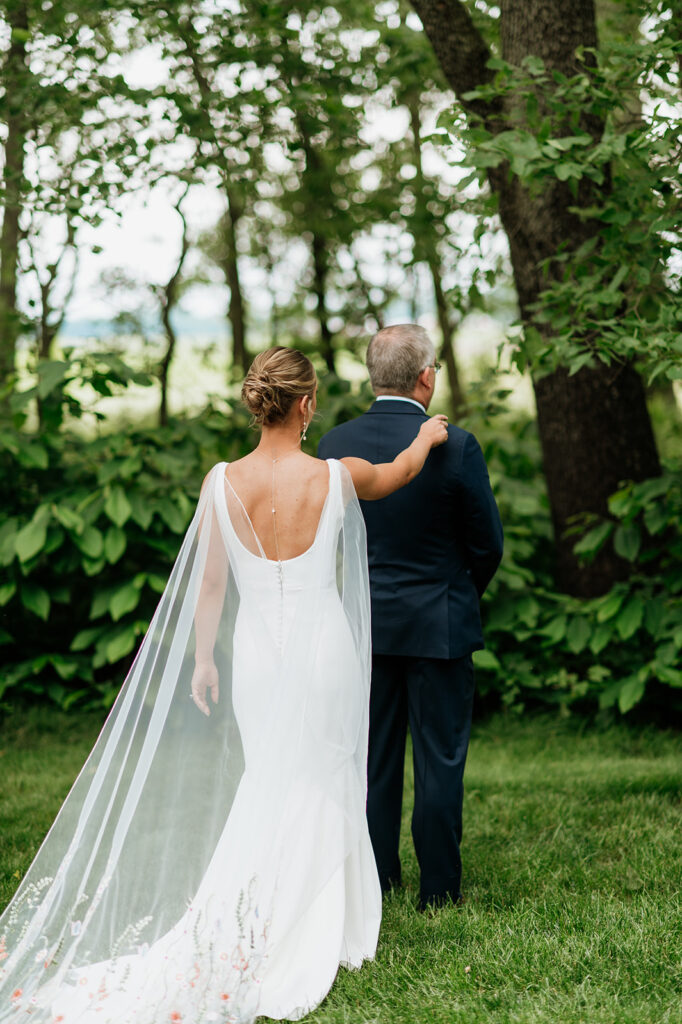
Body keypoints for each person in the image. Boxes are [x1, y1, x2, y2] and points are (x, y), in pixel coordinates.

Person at [0, 346, 448, 1024]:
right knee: (323, 776)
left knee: (270, 776)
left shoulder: (221, 483)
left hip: (257, 658)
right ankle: (326, 919)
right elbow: (399, 472)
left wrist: (205, 659)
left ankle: (264, 909)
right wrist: (428, 433)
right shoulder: (334, 475)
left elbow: (211, 581)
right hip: (324, 650)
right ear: (305, 405)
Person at [319, 324, 503, 911]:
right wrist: (458, 592)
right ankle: (439, 890)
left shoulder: (333, 443)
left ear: (376, 375)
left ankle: (378, 877)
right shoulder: (457, 445)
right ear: (426, 377)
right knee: (440, 758)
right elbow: (487, 543)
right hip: (439, 625)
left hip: (363, 627)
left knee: (371, 758)